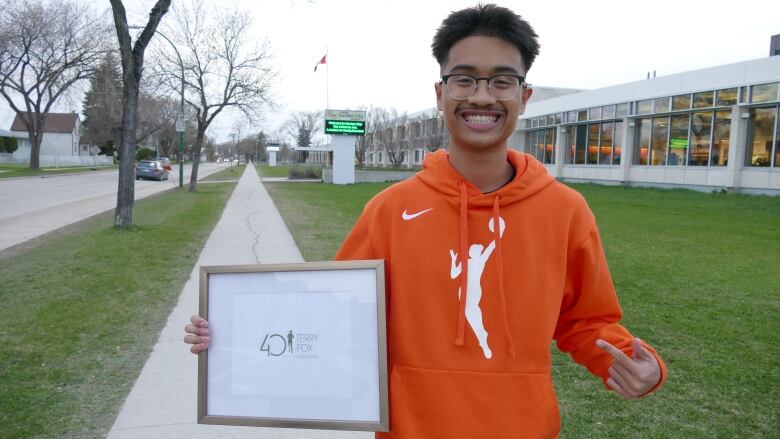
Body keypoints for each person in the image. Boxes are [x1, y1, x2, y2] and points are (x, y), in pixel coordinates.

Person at [185, 4, 666, 437]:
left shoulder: (565, 211)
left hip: (522, 427)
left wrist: (635, 364)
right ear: (440, 93)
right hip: (408, 429)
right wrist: (232, 333)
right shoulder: (390, 210)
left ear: (525, 94)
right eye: (465, 79)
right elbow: (333, 317)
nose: (482, 96)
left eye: (501, 80)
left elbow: (587, 320)